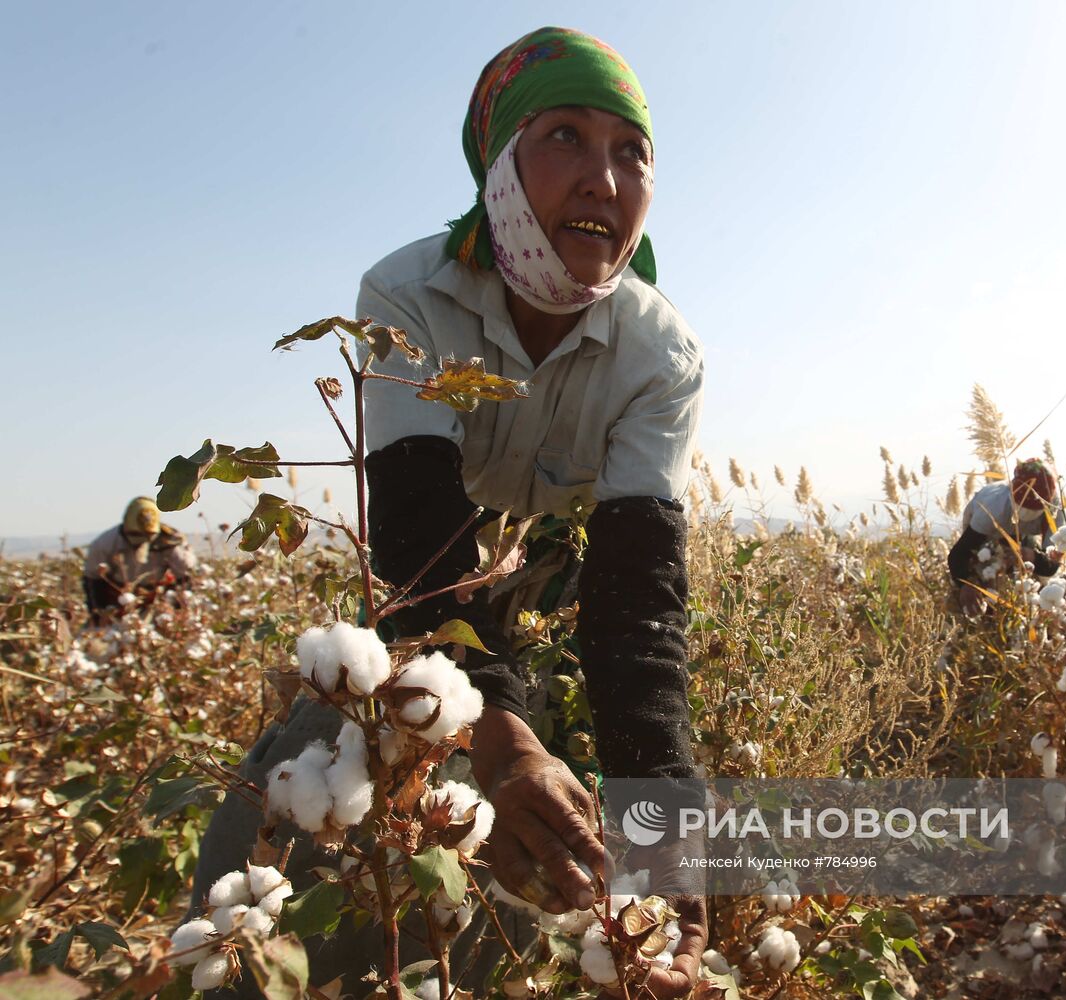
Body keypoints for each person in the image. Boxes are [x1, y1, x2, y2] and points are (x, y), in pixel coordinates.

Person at [189, 26, 706, 997]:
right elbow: (421, 541)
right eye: (564, 136)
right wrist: (497, 734)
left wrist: (665, 818)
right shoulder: (407, 296)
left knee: (539, 839)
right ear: (500, 164)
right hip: (430, 575)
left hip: (557, 575)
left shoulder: (660, 355)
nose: (604, 178)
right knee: (335, 768)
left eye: (631, 151)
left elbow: (637, 602)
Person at [948, 458, 1065, 614]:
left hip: (1023, 536)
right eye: (1022, 507)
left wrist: (1032, 556)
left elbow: (1052, 566)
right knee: (981, 571)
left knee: (1029, 578)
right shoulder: (991, 507)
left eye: (1033, 509)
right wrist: (965, 584)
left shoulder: (1055, 512)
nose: (1026, 513)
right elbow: (959, 554)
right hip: (987, 530)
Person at [82, 497, 196, 623]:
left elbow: (185, 578)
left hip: (157, 602)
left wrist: (177, 610)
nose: (142, 540)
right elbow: (92, 581)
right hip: (116, 602)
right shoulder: (105, 544)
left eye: (148, 536)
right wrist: (99, 615)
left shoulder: (171, 541)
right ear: (126, 528)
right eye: (136, 535)